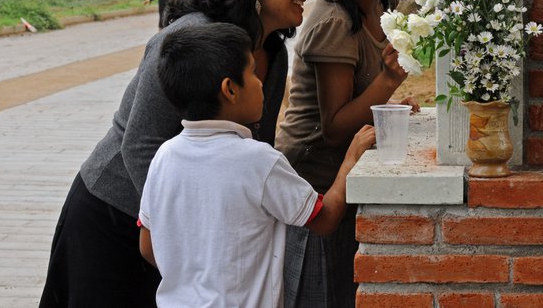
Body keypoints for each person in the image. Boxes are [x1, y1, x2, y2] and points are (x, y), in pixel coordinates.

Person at [39, 0, 312, 307]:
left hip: (178, 236)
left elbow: (252, 148)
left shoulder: (272, 54)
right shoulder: (186, 41)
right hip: (115, 217)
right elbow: (140, 145)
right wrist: (184, 232)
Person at [138, 23, 376, 307]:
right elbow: (324, 219)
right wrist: (351, 160)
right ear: (230, 90)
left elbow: (148, 246)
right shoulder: (258, 160)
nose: (260, 82)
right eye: (251, 72)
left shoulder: (165, 155)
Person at [275, 0, 419, 307]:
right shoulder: (335, 20)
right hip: (313, 183)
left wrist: (387, 108)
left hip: (343, 176)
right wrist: (390, 81)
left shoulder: (379, 4)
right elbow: (335, 125)